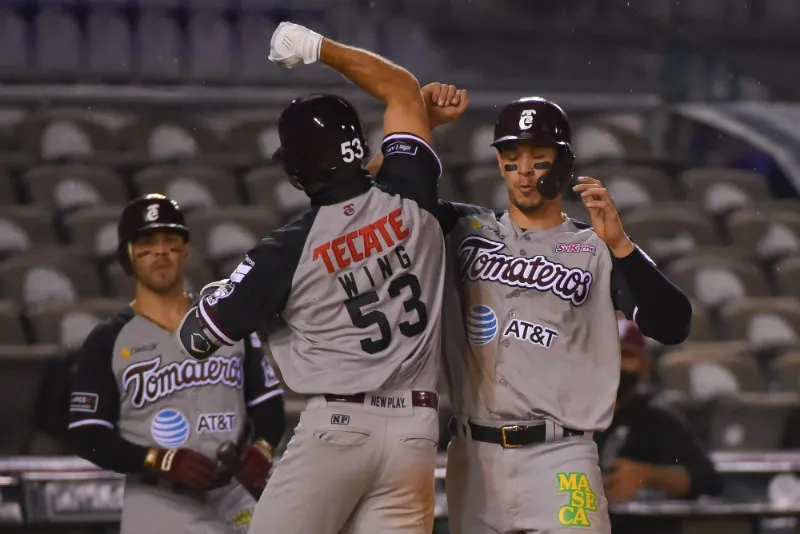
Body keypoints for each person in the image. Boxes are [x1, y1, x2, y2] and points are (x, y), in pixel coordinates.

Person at [175, 22, 467, 534]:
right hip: (416, 435)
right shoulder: (412, 197)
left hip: (338, 429)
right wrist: (318, 48)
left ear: (295, 174)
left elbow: (199, 337)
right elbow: (400, 89)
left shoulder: (284, 250)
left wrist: (217, 294)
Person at [432, 97, 692, 534]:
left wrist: (622, 246)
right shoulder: (466, 230)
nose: (526, 171)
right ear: (498, 163)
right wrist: (419, 120)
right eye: (512, 158)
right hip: (472, 455)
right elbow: (385, 191)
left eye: (540, 158)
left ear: (564, 164)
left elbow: (672, 324)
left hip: (560, 457)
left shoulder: (595, 249)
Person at [68, 194, 286, 534]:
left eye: (170, 241)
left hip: (235, 490)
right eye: (147, 242)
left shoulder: (226, 319)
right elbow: (87, 433)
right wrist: (157, 460)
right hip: (159, 499)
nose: (160, 251)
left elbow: (267, 402)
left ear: (185, 250)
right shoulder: (107, 340)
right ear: (127, 256)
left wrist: (262, 447)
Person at [595, 318, 722, 534]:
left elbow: (707, 480)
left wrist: (646, 475)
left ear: (644, 364)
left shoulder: (657, 417)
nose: (616, 363)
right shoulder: (571, 415)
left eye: (626, 355)